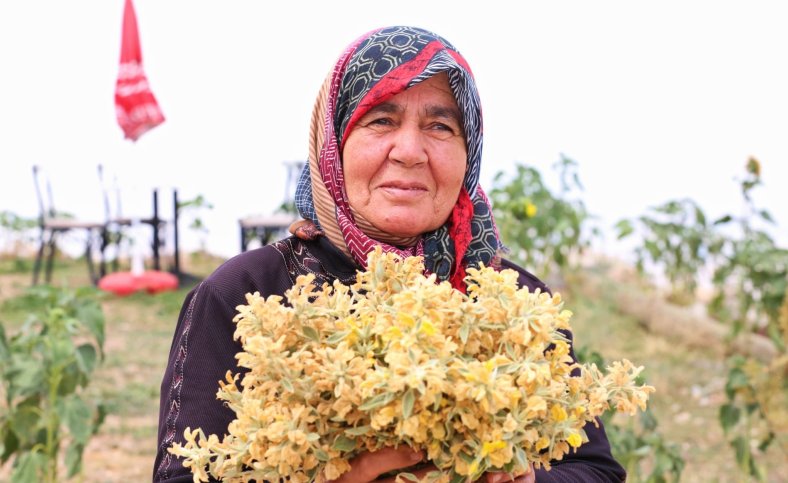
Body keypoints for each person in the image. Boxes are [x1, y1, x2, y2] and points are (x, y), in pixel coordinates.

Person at [153, 25, 626, 483]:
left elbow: (596, 471)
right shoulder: (244, 295)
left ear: (470, 153)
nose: (410, 151)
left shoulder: (516, 306)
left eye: (440, 126)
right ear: (335, 143)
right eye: (381, 120)